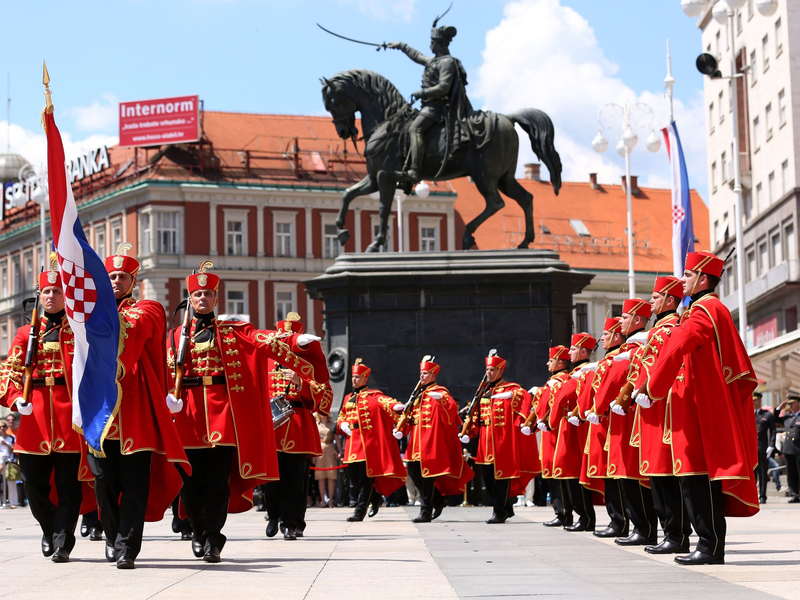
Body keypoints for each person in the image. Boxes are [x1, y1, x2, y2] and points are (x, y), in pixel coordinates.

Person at [639, 251, 760, 565]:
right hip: (696, 405)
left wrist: (652, 387)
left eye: (689, 275)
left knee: (698, 476)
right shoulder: (703, 308)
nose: (683, 280)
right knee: (692, 476)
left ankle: (710, 547)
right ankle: (706, 544)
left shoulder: (704, 310)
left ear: (703, 278)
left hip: (702, 407)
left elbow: (679, 344)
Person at [87, 244, 190, 570]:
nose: (116, 281)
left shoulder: (149, 308)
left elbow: (132, 332)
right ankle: (112, 535)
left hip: (136, 414)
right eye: (110, 276)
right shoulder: (86, 311)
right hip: (98, 413)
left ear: (135, 281)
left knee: (134, 484)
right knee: (104, 482)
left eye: (122, 277)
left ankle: (127, 547)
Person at [0, 258, 95, 562]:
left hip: (69, 418)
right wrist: (16, 399)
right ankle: (48, 528)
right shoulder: (25, 333)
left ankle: (63, 540)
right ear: (39, 296)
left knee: (69, 485)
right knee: (34, 484)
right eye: (46, 291)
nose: (51, 296)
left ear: (66, 295)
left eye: (57, 290)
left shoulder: (80, 332)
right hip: (33, 418)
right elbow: (8, 372)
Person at [626, 276, 693, 554]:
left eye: (655, 297)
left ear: (669, 299)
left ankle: (676, 535)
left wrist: (648, 390)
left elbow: (666, 368)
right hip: (650, 408)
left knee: (666, 475)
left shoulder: (671, 328)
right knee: (656, 475)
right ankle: (669, 533)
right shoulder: (658, 330)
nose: (651, 301)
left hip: (663, 407)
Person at [262, 312, 333, 541]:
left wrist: (301, 383)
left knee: (296, 479)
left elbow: (325, 394)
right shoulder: (266, 360)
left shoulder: (310, 362)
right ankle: (273, 515)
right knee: (271, 477)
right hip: (272, 423)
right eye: (284, 336)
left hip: (299, 422)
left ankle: (290, 523)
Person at [386, 20, 475, 183]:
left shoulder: (447, 62)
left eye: (432, 42)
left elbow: (443, 88)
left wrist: (422, 92)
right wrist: (400, 45)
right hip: (428, 107)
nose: (430, 45)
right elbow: (416, 56)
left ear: (440, 43)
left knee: (415, 129)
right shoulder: (433, 61)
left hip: (437, 108)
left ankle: (414, 171)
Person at [393, 355, 473, 523]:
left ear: (434, 375)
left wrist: (441, 399)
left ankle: (426, 510)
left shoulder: (440, 391)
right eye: (421, 373)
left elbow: (451, 409)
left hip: (430, 441)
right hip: (415, 440)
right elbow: (412, 416)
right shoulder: (418, 394)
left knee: (427, 475)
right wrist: (402, 429)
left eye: (425, 373)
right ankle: (437, 500)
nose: (421, 376)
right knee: (413, 472)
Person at [462, 351, 535, 524]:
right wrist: (468, 432)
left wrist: (512, 396)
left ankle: (499, 512)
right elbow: (476, 415)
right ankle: (506, 509)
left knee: (501, 477)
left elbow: (524, 395)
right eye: (487, 369)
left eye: (493, 370)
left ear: (501, 371)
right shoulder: (483, 390)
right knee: (488, 477)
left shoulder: (510, 388)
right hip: (485, 440)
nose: (489, 372)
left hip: (501, 440)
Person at [336, 359, 407, 521]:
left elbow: (386, 402)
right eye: (353, 377)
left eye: (357, 377)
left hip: (366, 443)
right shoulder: (348, 398)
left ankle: (359, 511)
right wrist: (343, 424)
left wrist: (396, 406)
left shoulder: (374, 396)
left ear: (365, 379)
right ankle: (375, 498)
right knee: (354, 477)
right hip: (351, 442)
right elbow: (341, 417)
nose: (354, 379)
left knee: (366, 477)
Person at [580, 318, 629, 539]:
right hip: (604, 422)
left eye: (606, 334)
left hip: (615, 420)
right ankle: (616, 520)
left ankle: (622, 522)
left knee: (619, 474)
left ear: (617, 336)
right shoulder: (607, 360)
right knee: (610, 474)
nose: (603, 339)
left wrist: (597, 408)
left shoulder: (619, 357)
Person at [547, 333, 598, 532]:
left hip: (579, 426)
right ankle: (581, 516)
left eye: (574, 349)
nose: (570, 352)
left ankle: (585, 516)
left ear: (584, 351)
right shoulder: (576, 373)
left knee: (577, 472)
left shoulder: (585, 372)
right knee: (570, 472)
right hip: (570, 426)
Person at [524, 346, 573, 527]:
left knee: (560, 473)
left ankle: (565, 513)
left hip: (560, 432)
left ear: (560, 362)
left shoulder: (565, 380)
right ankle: (560, 512)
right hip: (549, 433)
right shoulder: (551, 382)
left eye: (551, 360)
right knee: (551, 473)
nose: (547, 363)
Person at [775, 394, 800, 503]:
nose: (790, 406)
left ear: (798, 403)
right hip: (789, 449)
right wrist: (779, 408)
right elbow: (775, 419)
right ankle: (794, 495)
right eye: (789, 404)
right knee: (791, 474)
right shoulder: (788, 417)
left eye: (792, 403)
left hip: (799, 449)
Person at [754, 392, 776, 504]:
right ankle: (752, 496)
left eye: (755, 400)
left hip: (762, 448)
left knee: (763, 473)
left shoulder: (767, 415)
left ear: (760, 400)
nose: (753, 402)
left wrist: (771, 445)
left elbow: (773, 431)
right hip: (751, 449)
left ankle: (762, 496)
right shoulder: (747, 413)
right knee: (752, 474)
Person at [315, 412, 338, 508]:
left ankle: (331, 501)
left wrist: (339, 451)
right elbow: (314, 439)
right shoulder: (316, 424)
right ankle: (323, 500)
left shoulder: (333, 423)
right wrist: (313, 455)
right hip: (320, 450)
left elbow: (336, 437)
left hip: (330, 448)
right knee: (321, 477)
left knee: (331, 477)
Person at [0, 422, 17, 506]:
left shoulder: (12, 437)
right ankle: (2, 501)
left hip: (9, 461)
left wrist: (6, 444)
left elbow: (14, 450)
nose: (1, 428)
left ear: (6, 428)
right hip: (0, 462)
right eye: (0, 427)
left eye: (3, 426)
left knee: (11, 482)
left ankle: (13, 502)